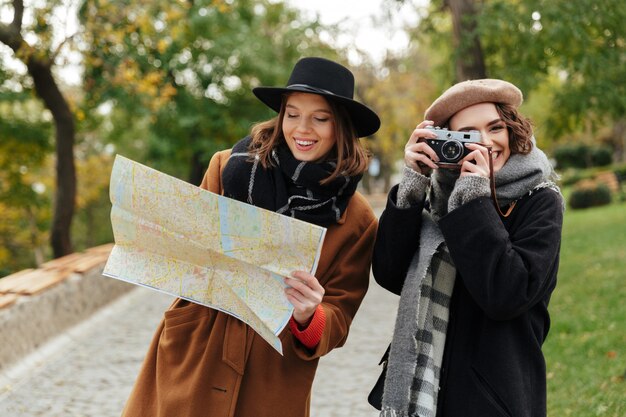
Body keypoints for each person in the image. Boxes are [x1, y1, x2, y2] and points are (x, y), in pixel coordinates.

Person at [120, 57, 380, 417]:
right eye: (292, 114)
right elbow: (183, 252)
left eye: (320, 118)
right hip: (197, 350)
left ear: (341, 127)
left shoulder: (357, 218)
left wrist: (310, 315)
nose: (302, 128)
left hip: (272, 377)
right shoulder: (228, 167)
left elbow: (339, 315)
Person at [372, 79, 564, 417]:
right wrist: (412, 187)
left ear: (513, 130)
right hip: (426, 388)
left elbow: (507, 293)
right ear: (445, 141)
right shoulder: (436, 197)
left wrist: (473, 200)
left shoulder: (540, 199)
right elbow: (389, 273)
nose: (486, 143)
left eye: (495, 128)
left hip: (495, 396)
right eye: (469, 135)